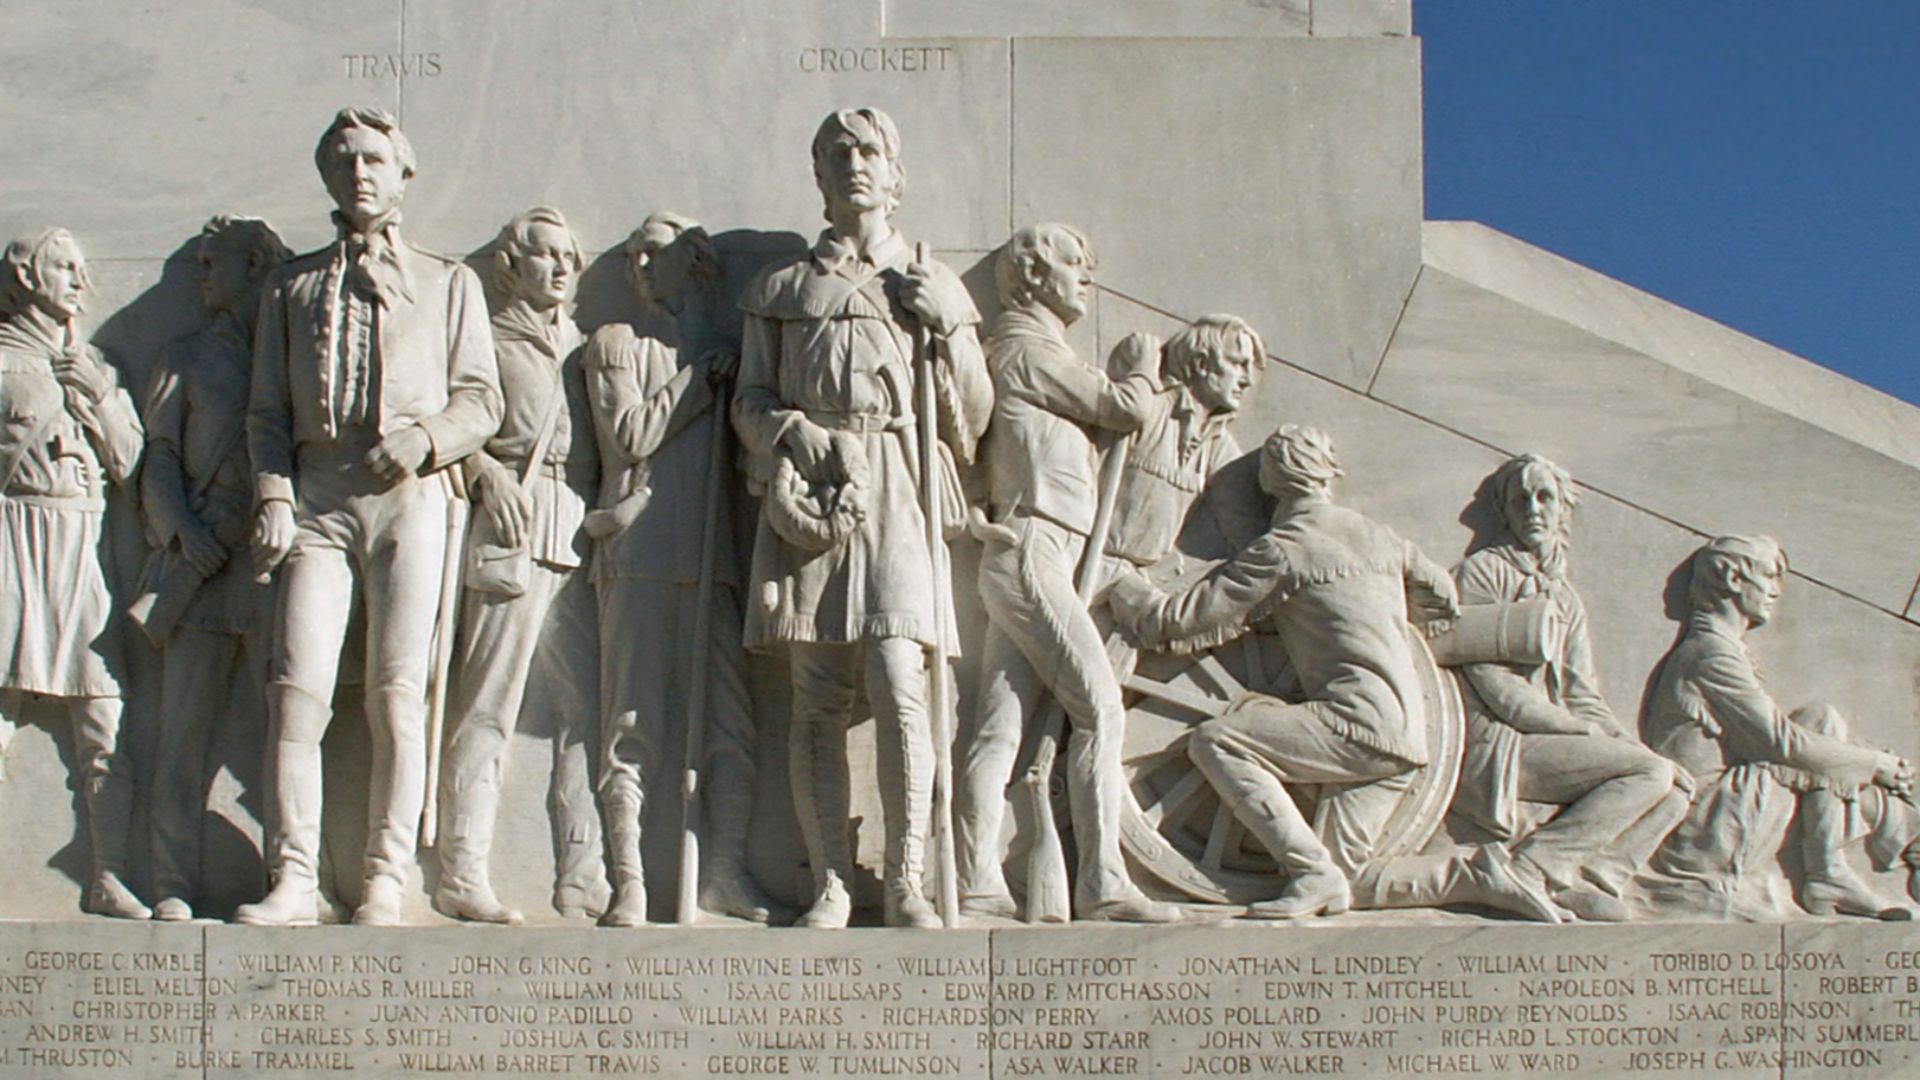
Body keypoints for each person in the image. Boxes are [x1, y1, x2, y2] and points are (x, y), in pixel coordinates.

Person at [1107, 426, 1562, 923]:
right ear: (1329, 474)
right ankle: (1475, 873)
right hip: (1409, 738)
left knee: (1217, 741)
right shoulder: (1382, 537)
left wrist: (1125, 589)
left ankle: (1308, 869)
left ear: (1271, 484)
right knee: (1350, 882)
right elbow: (1443, 596)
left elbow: (1176, 623)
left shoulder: (1284, 549)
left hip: (1352, 726)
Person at [240, 106, 501, 927]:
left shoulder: (449, 280)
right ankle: (292, 876)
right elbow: (264, 412)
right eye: (346, 159)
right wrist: (275, 495)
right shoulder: (290, 286)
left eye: (375, 159)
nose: (361, 172)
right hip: (317, 498)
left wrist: (426, 440)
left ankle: (386, 876)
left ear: (403, 172)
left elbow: (481, 399)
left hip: (409, 497)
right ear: (327, 175)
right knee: (298, 691)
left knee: (397, 692)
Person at [733, 107, 993, 928]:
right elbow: (748, 399)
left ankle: (909, 877)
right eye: (836, 152)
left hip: (898, 479)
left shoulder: (926, 278)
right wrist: (790, 429)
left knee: (898, 678)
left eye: (870, 150)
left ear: (895, 171)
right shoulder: (781, 288)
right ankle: (834, 883)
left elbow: (974, 419)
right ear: (818, 175)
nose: (854, 163)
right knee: (816, 693)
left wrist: (950, 321)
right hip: (810, 486)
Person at [955, 223, 1177, 922]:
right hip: (1032, 550)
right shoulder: (1025, 350)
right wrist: (1140, 365)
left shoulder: (1030, 349)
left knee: (997, 729)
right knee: (1101, 708)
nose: (1088, 276)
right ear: (1029, 275)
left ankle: (972, 879)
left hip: (1040, 551)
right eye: (1074, 264)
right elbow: (1124, 408)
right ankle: (1103, 881)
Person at [585, 212, 785, 926]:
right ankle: (630, 881)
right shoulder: (616, 343)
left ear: (695, 262)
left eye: (656, 254)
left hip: (716, 562)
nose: (640, 266)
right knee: (632, 723)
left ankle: (724, 871)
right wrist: (700, 378)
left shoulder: (729, 355)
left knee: (730, 725)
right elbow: (632, 434)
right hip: (639, 557)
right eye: (633, 254)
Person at [434, 207, 606, 925]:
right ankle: (461, 867)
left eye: (570, 255)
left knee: (587, 712)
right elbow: (445, 417)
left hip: (579, 529)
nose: (562, 267)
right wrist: (480, 469)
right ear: (512, 264)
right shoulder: (487, 338)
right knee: (488, 704)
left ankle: (583, 872)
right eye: (546, 255)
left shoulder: (590, 344)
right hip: (512, 524)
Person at [1444, 454, 1691, 922]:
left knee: (1674, 784)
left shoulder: (1565, 597)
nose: (1533, 509)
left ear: (1562, 510)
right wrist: (1576, 731)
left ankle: (1592, 876)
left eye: (1544, 497)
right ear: (1505, 511)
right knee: (1647, 775)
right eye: (1520, 499)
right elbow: (1491, 681)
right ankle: (1533, 866)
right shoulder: (1482, 572)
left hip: (1555, 738)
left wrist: (1619, 740)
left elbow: (1582, 692)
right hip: (1498, 745)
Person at [138, 215, 293, 921]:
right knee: (183, 741)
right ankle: (170, 879)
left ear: (256, 264)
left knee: (286, 739)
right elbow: (159, 459)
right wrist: (182, 532)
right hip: (198, 573)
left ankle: (293, 877)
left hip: (271, 571)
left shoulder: (295, 360)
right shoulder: (184, 357)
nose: (202, 277)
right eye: (196, 263)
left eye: (213, 263)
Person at [1647, 535, 1920, 920]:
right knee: (1816, 737)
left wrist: (1868, 766)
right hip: (1706, 831)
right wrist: (1875, 765)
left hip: (1729, 808)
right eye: (1770, 576)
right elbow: (1782, 744)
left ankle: (1833, 869)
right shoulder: (1710, 655)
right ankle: (1844, 865)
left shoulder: (1722, 647)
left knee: (1822, 725)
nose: (1776, 591)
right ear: (1732, 579)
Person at [0, 227, 148, 919]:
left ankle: (109, 873)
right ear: (27, 276)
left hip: (79, 544)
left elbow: (129, 463)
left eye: (84, 267)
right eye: (65, 267)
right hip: (10, 542)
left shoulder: (89, 363)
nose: (80, 281)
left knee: (104, 712)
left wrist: (101, 396)